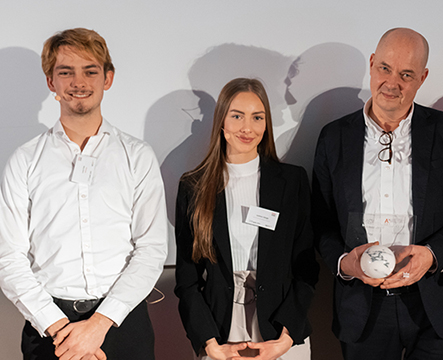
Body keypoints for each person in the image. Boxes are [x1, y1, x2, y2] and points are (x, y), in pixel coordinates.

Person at [311, 28, 443, 359]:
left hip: (437, 306)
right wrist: (345, 263)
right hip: (362, 311)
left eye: (406, 74)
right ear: (372, 63)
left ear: (422, 78)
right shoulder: (333, 138)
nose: (391, 83)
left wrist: (433, 254)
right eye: (385, 68)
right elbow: (319, 221)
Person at [0, 28, 168, 360]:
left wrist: (98, 326)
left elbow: (151, 249)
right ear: (51, 82)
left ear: (108, 78)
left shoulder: (137, 155)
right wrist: (63, 332)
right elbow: (9, 257)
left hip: (122, 322)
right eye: (66, 72)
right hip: (48, 328)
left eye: (90, 71)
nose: (79, 82)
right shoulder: (25, 160)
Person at [174, 78, 318, 360]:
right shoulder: (193, 186)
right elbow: (187, 277)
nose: (247, 128)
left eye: (257, 117)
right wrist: (207, 342)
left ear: (266, 124)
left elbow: (306, 268)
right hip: (220, 334)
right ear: (222, 122)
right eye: (237, 116)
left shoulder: (292, 181)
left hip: (280, 332)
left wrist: (287, 336)